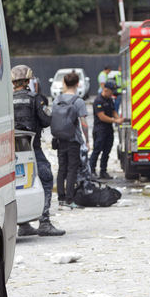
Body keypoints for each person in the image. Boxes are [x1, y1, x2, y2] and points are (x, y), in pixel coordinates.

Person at [12, 65, 65, 236]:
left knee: (18, 184)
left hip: (11, 150)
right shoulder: (36, 98)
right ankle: (44, 222)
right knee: (46, 178)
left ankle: (24, 225)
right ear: (28, 80)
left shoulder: (6, 99)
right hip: (31, 147)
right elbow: (46, 120)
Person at [53, 72, 90, 209]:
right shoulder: (78, 101)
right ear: (77, 84)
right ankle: (69, 199)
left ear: (64, 83)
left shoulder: (57, 99)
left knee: (61, 168)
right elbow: (84, 123)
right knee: (72, 169)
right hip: (73, 140)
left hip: (60, 139)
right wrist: (87, 140)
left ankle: (61, 198)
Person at [90, 81, 123, 180]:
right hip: (100, 130)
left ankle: (103, 171)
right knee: (97, 150)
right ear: (105, 90)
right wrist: (115, 120)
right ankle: (91, 171)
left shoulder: (109, 100)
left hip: (108, 130)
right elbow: (102, 117)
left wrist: (119, 120)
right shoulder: (98, 101)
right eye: (111, 92)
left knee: (106, 151)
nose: (112, 93)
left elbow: (113, 111)